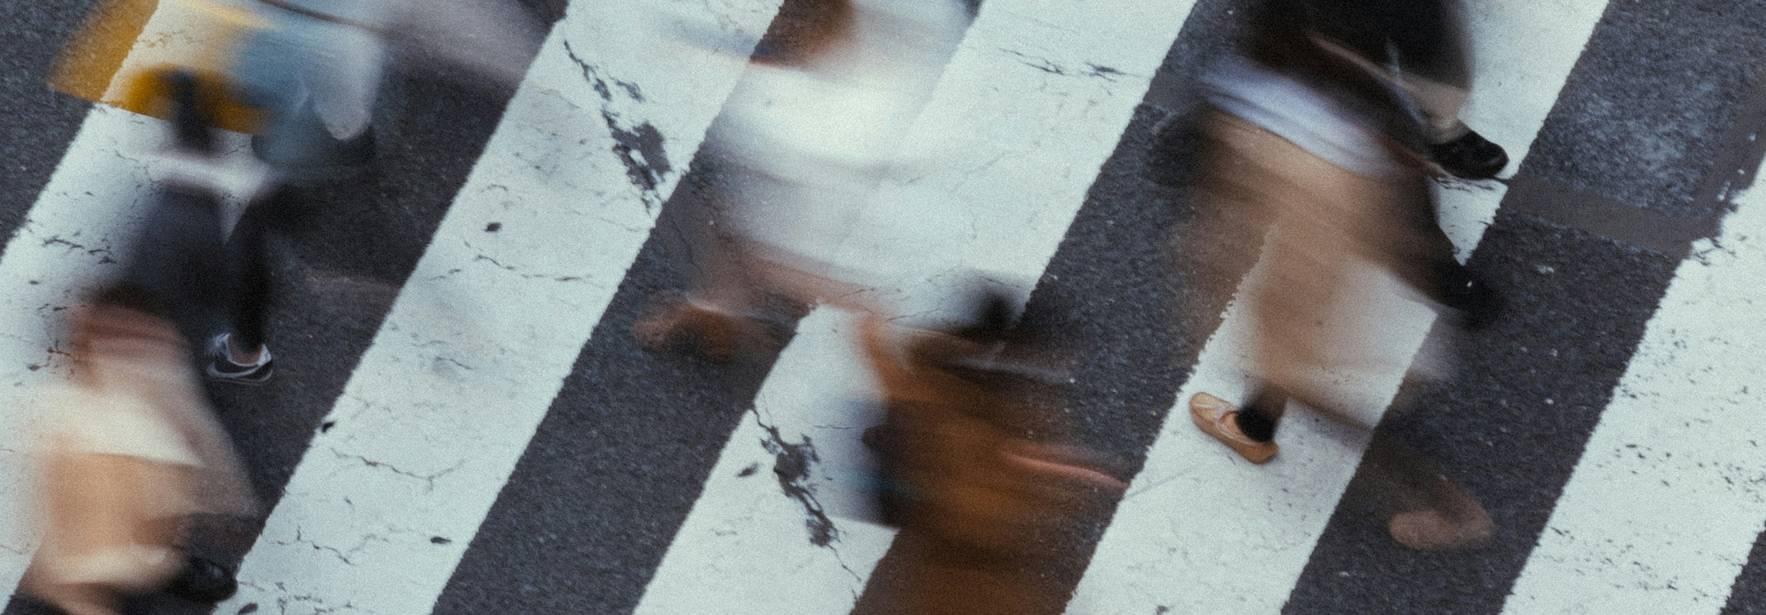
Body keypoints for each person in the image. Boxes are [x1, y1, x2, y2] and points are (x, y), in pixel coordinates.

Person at [1180, 0, 1498, 550]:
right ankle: (1256, 424)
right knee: (1292, 361)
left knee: (1318, 388)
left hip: (1322, 276)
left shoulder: (1255, 99)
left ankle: (1450, 506)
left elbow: (1230, 208)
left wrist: (1209, 282)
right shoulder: (1353, 81)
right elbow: (1405, 175)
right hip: (1366, 264)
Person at [20, 284, 258, 614]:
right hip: (98, 557)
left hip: (144, 522)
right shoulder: (82, 440)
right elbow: (76, 553)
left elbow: (193, 447)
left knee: (156, 534)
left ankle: (161, 561)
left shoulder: (156, 385)